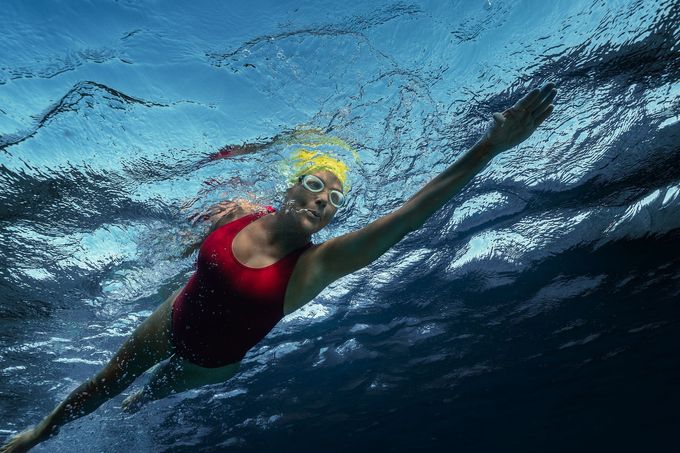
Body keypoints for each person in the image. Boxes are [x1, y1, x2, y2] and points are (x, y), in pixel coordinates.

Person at [1, 83, 557, 452]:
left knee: (141, 396)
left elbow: (410, 215)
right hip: (170, 318)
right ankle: (40, 434)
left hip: (210, 363)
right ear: (291, 186)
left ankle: (134, 407)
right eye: (316, 185)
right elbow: (196, 231)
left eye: (335, 201)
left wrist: (488, 149)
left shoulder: (318, 264)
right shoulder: (243, 210)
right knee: (104, 380)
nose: (324, 201)